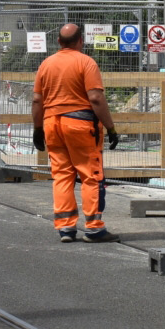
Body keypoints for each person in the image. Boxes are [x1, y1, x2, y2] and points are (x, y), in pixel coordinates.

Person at [31, 24, 120, 243]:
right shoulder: (86, 62)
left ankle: (66, 228)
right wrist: (111, 127)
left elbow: (36, 100)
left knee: (62, 175)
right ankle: (94, 228)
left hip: (52, 123)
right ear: (81, 41)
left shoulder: (46, 64)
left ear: (59, 42)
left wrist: (37, 129)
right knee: (91, 176)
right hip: (80, 125)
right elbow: (96, 98)